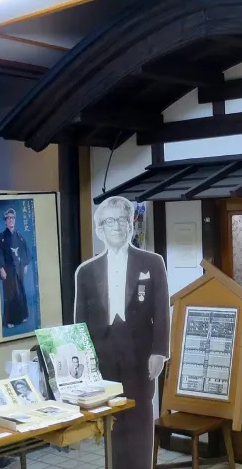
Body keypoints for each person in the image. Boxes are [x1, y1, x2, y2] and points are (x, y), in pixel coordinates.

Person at [74, 196, 170, 469]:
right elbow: (80, 322)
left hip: (140, 355)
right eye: (109, 221)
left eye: (121, 220)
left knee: (140, 417)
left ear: (131, 225)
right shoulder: (86, 272)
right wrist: (84, 362)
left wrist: (159, 353)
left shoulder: (152, 263)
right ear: (100, 229)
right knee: (111, 421)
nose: (116, 226)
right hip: (102, 356)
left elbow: (162, 311)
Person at [0, 208, 31, 329]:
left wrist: (25, 265)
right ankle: (9, 320)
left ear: (15, 220)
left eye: (12, 218)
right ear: (5, 221)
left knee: (21, 292)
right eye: (8, 218)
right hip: (8, 269)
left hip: (19, 268)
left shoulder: (20, 236)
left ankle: (22, 316)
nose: (10, 220)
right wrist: (1, 268)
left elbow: (26, 252)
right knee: (10, 293)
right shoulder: (1, 237)